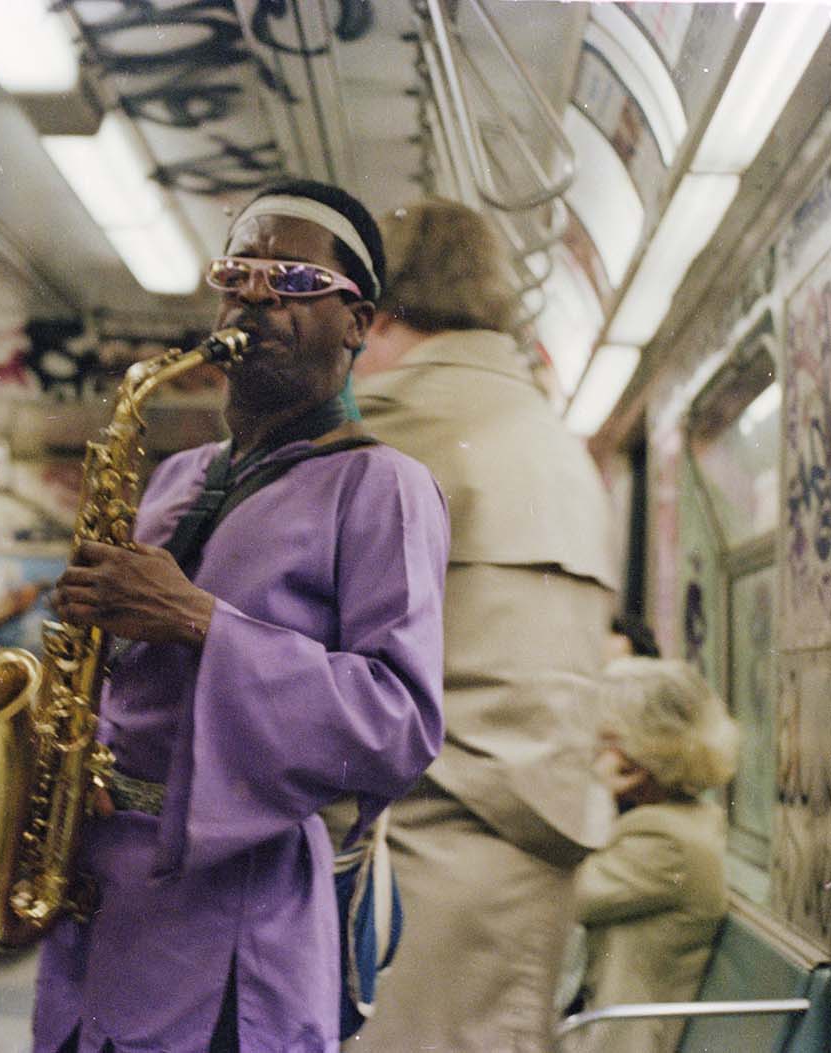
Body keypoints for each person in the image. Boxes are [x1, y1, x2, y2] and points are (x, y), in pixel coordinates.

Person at [33, 179, 450, 1052]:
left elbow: (399, 726)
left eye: (294, 281)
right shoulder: (179, 474)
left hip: (228, 935)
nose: (257, 297)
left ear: (357, 320)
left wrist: (200, 622)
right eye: (239, 273)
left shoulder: (383, 487)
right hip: (96, 902)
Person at [349, 197, 619, 1052]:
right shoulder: (548, 435)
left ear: (380, 313)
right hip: (525, 839)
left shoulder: (402, 420)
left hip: (426, 839)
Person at [575, 657, 739, 1053]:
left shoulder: (666, 841)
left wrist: (594, 788)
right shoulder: (685, 820)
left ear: (640, 749)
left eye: (606, 737)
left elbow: (562, 897)